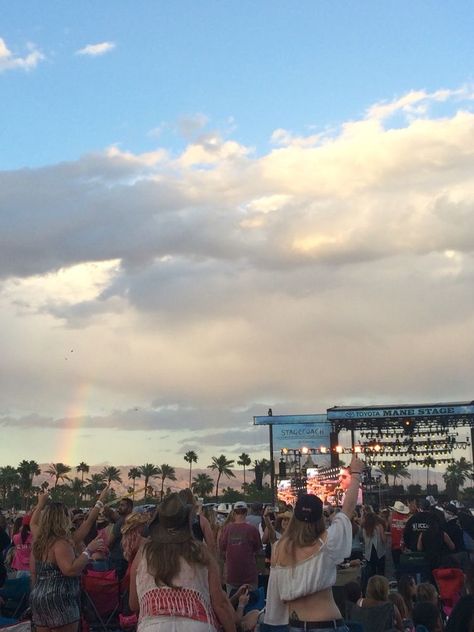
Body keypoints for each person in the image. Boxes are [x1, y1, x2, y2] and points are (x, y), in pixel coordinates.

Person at [264, 452, 364, 631]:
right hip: (327, 624)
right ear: (320, 518)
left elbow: (275, 595)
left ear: (294, 517)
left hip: (295, 625)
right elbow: (347, 510)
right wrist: (355, 474)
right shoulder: (326, 542)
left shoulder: (279, 548)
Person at [129, 493, 236, 632]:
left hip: (153, 627)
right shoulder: (201, 552)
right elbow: (219, 604)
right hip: (197, 626)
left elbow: (134, 604)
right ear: (187, 521)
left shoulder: (143, 553)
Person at [29, 493, 105, 632]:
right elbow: (69, 570)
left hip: (39, 598)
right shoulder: (62, 542)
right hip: (60, 600)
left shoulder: (40, 538)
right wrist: (88, 550)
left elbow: (32, 522)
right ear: (63, 518)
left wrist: (40, 504)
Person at [219, 501, 261, 593]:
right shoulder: (252, 530)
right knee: (252, 604)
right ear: (246, 512)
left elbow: (222, 549)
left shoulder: (227, 529)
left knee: (232, 604)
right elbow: (258, 551)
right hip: (249, 576)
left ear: (234, 513)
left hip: (232, 575)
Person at [178, 489, 216, 554]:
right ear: (193, 502)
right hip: (196, 558)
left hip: (178, 559)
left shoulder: (172, 520)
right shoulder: (202, 520)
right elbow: (211, 545)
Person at [107, 497, 134, 579]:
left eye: (122, 505)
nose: (119, 507)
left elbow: (109, 542)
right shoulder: (133, 521)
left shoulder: (120, 522)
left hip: (117, 559)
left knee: (115, 584)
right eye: (119, 505)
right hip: (127, 559)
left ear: (129, 508)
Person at [361, 508, 386, 590]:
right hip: (379, 552)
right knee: (381, 572)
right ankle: (381, 588)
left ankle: (371, 589)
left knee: (371, 574)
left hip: (369, 554)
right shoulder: (379, 527)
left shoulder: (365, 528)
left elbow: (364, 541)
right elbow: (383, 539)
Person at [390, 501, 411, 570]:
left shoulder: (391, 518)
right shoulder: (408, 520)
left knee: (397, 568)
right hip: (405, 547)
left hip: (395, 547)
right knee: (405, 568)